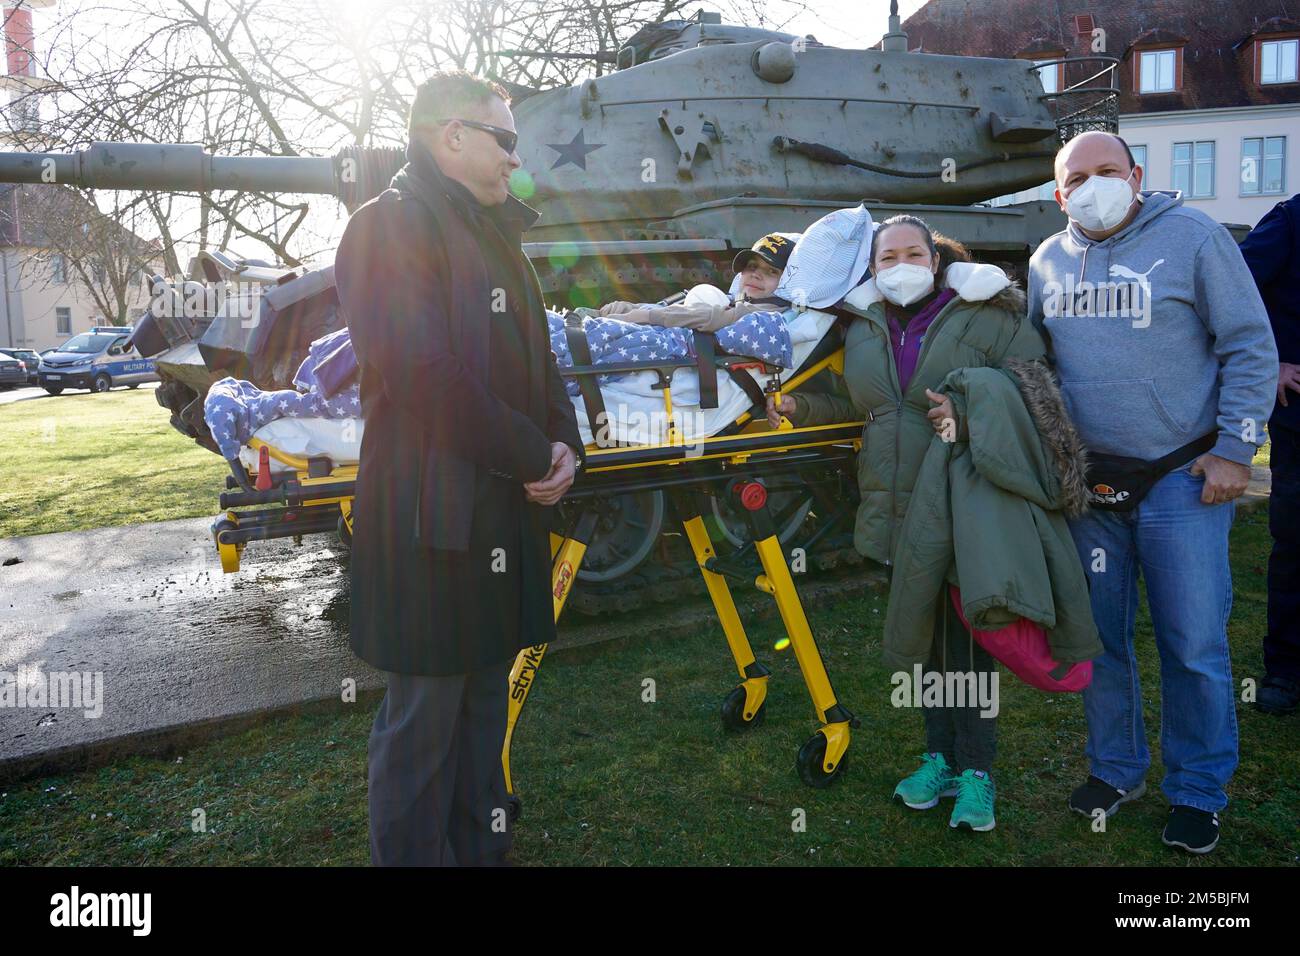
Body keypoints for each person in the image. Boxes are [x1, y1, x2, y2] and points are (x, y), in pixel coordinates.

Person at [334, 71, 582, 866]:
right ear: (450, 136)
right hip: (427, 527)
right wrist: (527, 451)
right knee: (423, 730)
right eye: (504, 139)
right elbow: (422, 375)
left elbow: (541, 362)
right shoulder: (387, 228)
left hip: (500, 521)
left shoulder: (495, 232)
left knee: (483, 724)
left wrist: (564, 444)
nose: (516, 157)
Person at [1027, 131, 1278, 854]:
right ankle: (1115, 768)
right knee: (1100, 640)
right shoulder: (1047, 261)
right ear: (1058, 193)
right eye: (1079, 177)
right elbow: (1033, 361)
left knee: (1193, 643)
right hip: (1090, 487)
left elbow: (1249, 344)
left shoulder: (1195, 237)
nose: (1094, 185)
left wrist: (1236, 449)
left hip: (1182, 477)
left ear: (1136, 176)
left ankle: (1198, 789)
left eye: (1109, 171)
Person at [769, 216, 1053, 832]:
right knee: (925, 641)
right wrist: (801, 405)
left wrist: (972, 411)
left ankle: (977, 772)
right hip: (896, 507)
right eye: (887, 256)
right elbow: (867, 406)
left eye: (912, 252)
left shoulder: (985, 314)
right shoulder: (865, 325)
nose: (900, 264)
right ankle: (938, 759)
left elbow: (1037, 396)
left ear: (936, 257)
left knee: (971, 639)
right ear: (871, 268)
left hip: (966, 503)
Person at [547, 233, 802, 390]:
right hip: (666, 332)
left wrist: (641, 316)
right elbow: (675, 309)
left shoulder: (765, 314)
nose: (756, 274)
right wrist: (621, 309)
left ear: (788, 280)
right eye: (751, 266)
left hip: (675, 345)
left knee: (589, 338)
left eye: (772, 271)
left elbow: (710, 317)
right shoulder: (733, 300)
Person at [1238, 192, 1300, 716]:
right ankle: (1286, 670)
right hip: (1299, 408)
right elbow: (1235, 289)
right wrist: (1275, 359)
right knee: (1297, 539)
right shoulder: (1291, 219)